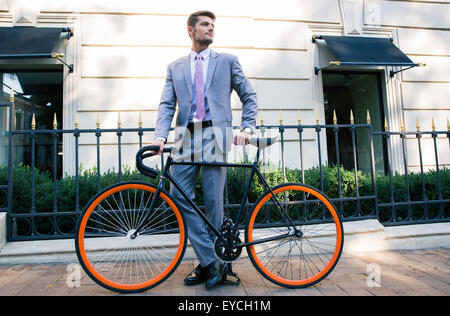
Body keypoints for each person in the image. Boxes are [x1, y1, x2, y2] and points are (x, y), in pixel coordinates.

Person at [151, 10, 257, 289]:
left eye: (213, 25)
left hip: (216, 135)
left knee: (214, 204)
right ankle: (211, 262)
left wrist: (247, 128)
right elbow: (166, 106)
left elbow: (249, 95)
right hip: (186, 137)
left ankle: (210, 265)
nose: (211, 29)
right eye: (205, 25)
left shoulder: (228, 62)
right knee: (177, 195)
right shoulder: (175, 67)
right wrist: (160, 137)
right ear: (191, 30)